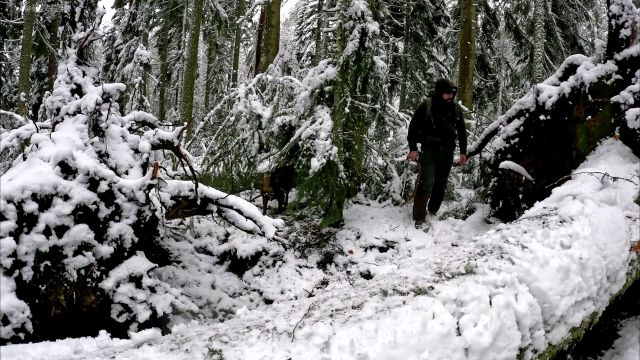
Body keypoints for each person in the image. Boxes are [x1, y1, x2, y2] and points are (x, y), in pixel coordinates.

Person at [407, 78, 468, 229]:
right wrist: (413, 148)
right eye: (447, 94)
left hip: (447, 152)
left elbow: (461, 131)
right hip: (428, 150)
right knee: (426, 182)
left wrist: (463, 152)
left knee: (440, 183)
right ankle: (419, 216)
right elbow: (413, 128)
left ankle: (433, 210)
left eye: (452, 94)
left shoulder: (455, 109)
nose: (450, 96)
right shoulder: (426, 106)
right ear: (440, 92)